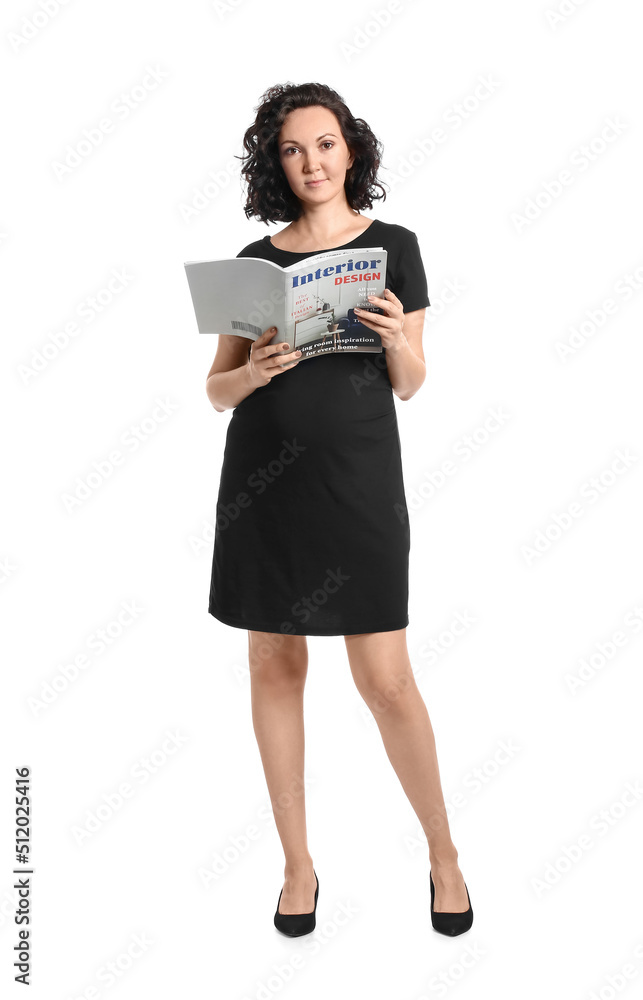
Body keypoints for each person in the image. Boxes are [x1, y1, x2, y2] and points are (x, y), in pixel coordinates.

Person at [205, 82, 473, 937]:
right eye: (291, 149)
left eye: (323, 144)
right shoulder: (255, 262)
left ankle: (443, 854)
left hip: (357, 489)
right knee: (273, 671)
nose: (310, 162)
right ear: (274, 162)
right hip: (263, 492)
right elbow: (216, 390)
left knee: (386, 682)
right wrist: (258, 370)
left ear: (349, 149)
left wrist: (398, 341)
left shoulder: (395, 246)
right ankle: (296, 866)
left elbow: (412, 383)